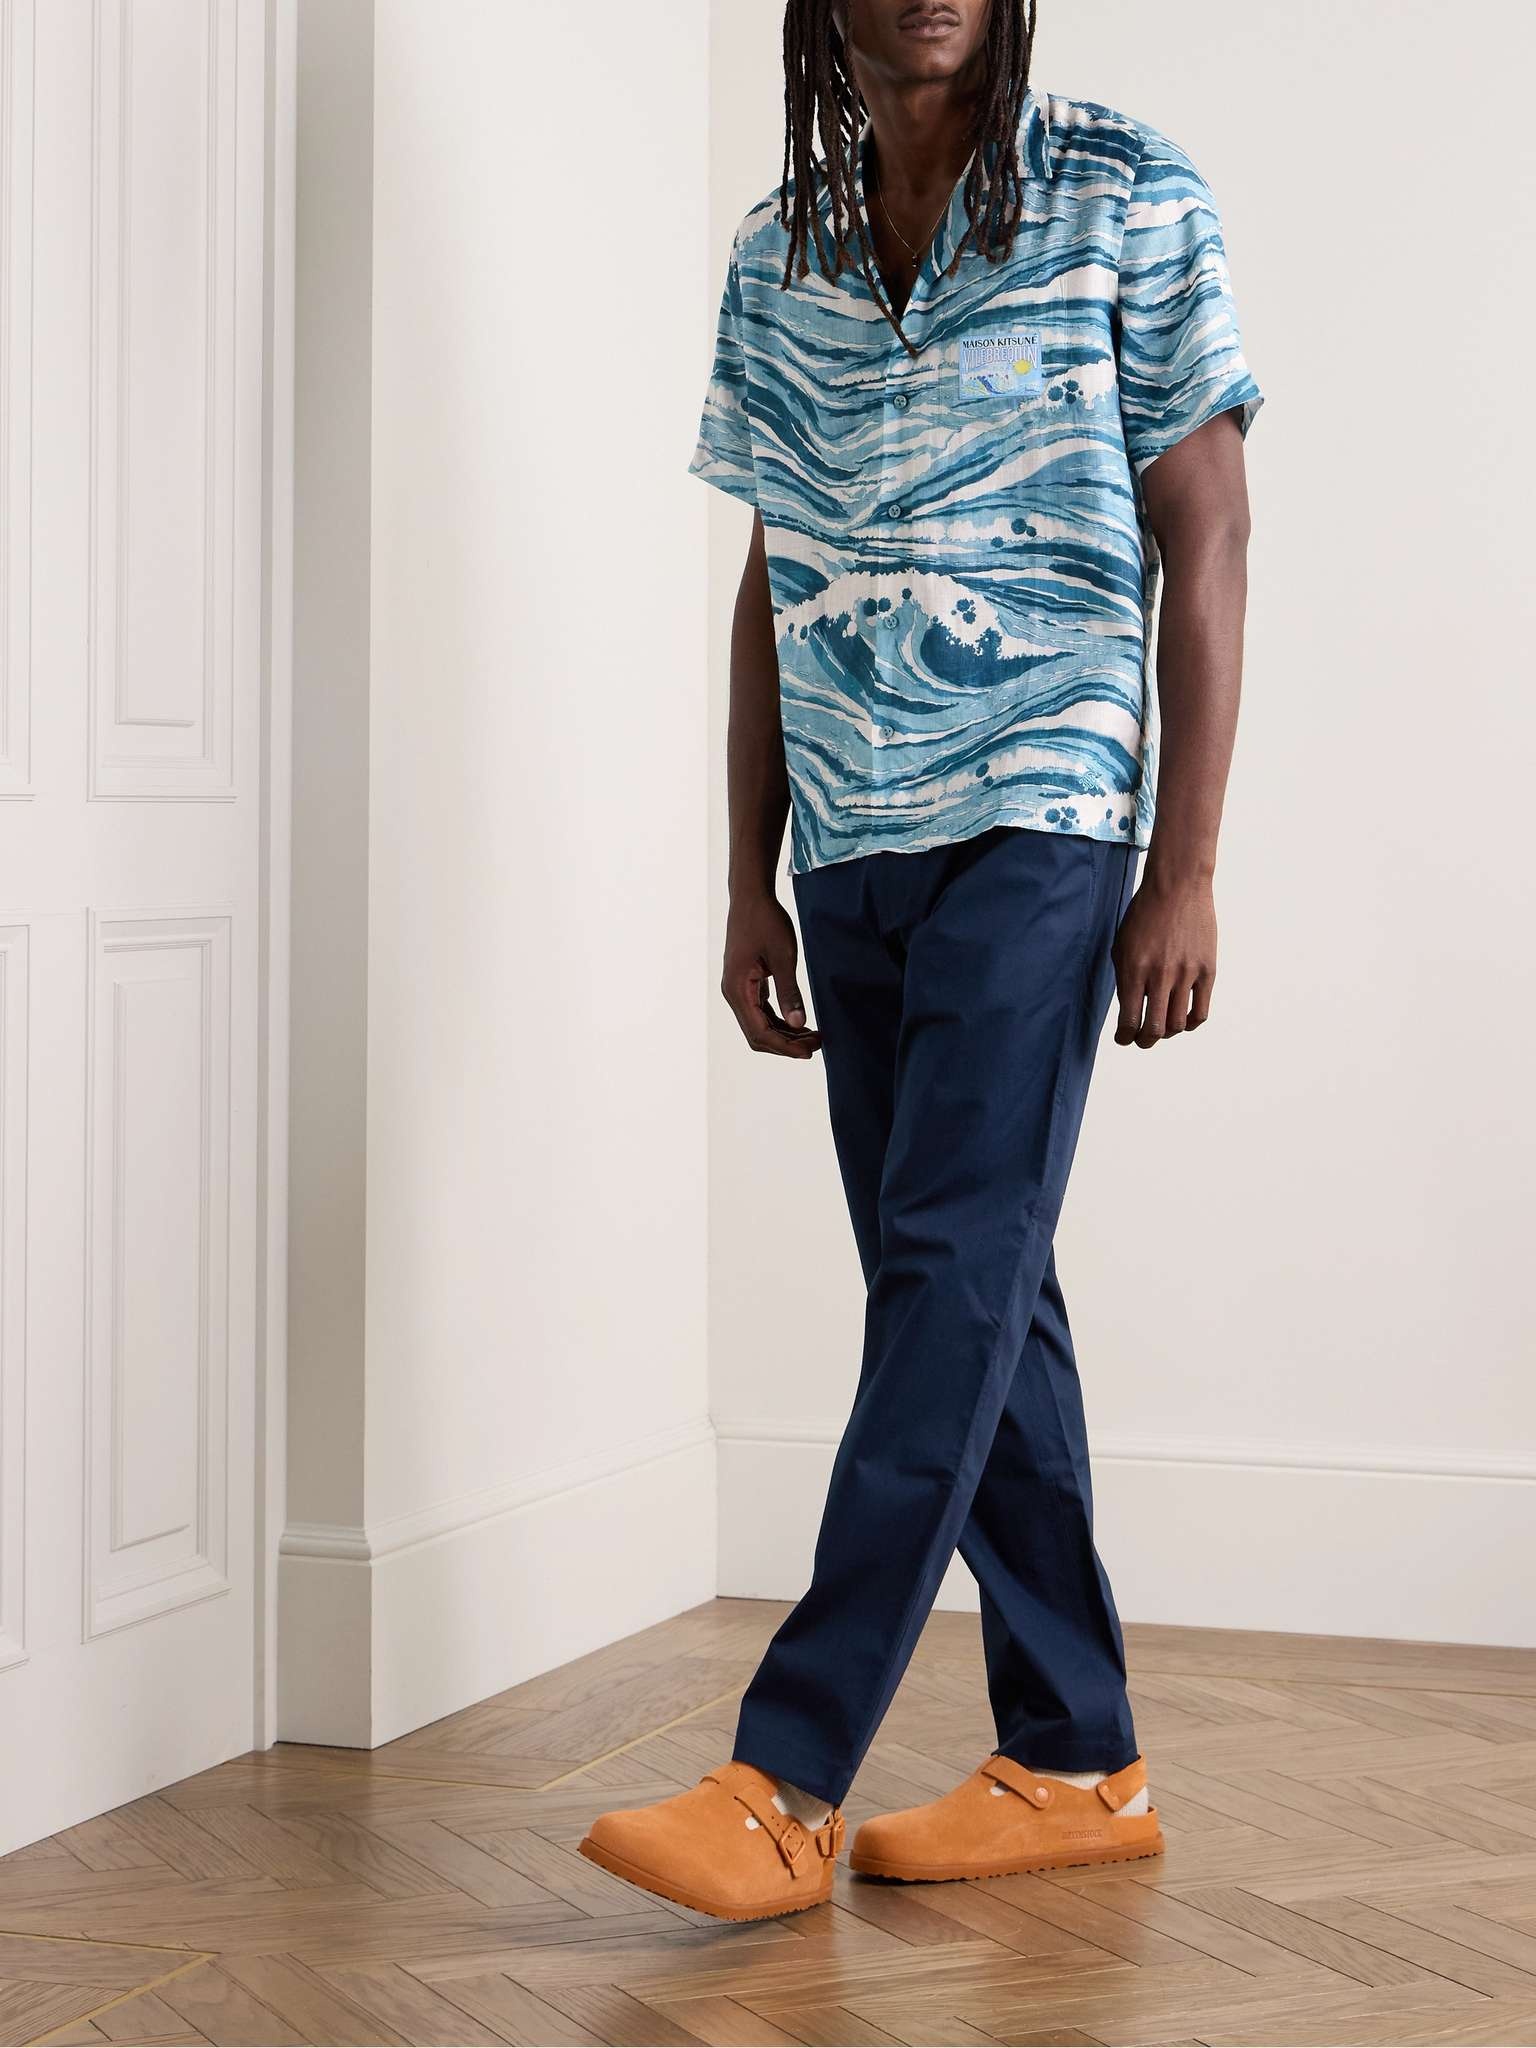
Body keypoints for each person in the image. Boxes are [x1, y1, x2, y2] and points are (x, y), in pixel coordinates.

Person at [580, 0, 1261, 1922]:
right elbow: (772, 573)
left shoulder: (1123, 188)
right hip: (854, 837)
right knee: (969, 1284)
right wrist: (748, 878)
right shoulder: (778, 248)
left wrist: (1189, 863)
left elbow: (1207, 523)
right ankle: (1075, 1754)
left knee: (951, 1265)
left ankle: (787, 1775)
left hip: (1047, 806)